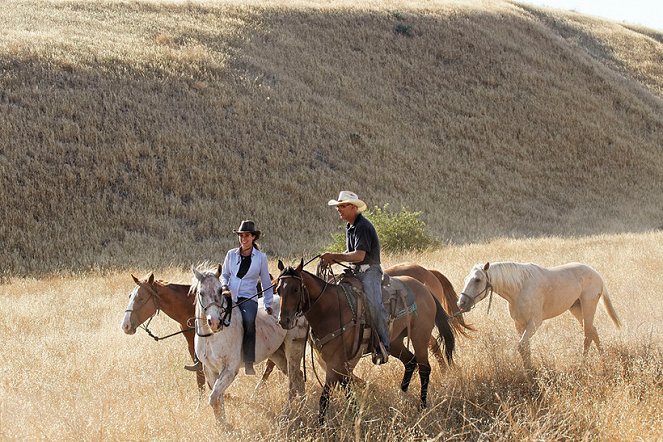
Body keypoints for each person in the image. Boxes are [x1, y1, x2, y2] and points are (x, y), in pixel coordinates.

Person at [321, 191, 390, 364]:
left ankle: (383, 344)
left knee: (374, 304)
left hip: (370, 272)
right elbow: (350, 253)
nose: (339, 209)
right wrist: (334, 258)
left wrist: (335, 256)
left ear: (353, 207)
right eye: (338, 206)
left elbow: (359, 256)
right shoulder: (350, 226)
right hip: (356, 271)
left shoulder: (363, 226)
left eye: (342, 206)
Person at [221, 220, 274, 375]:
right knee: (213, 316)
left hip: (248, 297)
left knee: (249, 322)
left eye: (247, 236)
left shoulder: (261, 257)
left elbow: (265, 281)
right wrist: (224, 287)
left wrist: (268, 302)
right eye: (241, 235)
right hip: (229, 294)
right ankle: (206, 356)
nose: (243, 239)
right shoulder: (231, 254)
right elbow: (224, 274)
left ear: (253, 237)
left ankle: (249, 361)